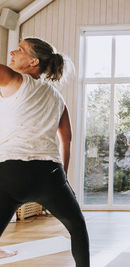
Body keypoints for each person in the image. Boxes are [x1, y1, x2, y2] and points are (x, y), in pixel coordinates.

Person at [0, 38, 90, 266]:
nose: (12, 52)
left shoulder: (16, 80)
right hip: (50, 176)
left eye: (19, 50)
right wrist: (64, 180)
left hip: (11, 174)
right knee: (77, 227)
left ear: (33, 61)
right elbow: (66, 139)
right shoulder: (57, 98)